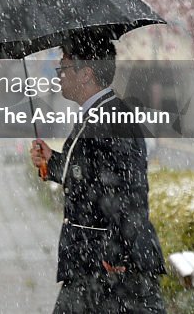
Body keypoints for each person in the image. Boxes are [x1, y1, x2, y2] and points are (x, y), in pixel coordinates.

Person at [30, 38, 166, 314]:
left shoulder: (111, 118)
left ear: (86, 73)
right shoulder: (99, 113)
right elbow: (91, 175)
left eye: (64, 68)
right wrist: (54, 163)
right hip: (93, 261)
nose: (60, 74)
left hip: (109, 265)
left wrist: (118, 248)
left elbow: (131, 188)